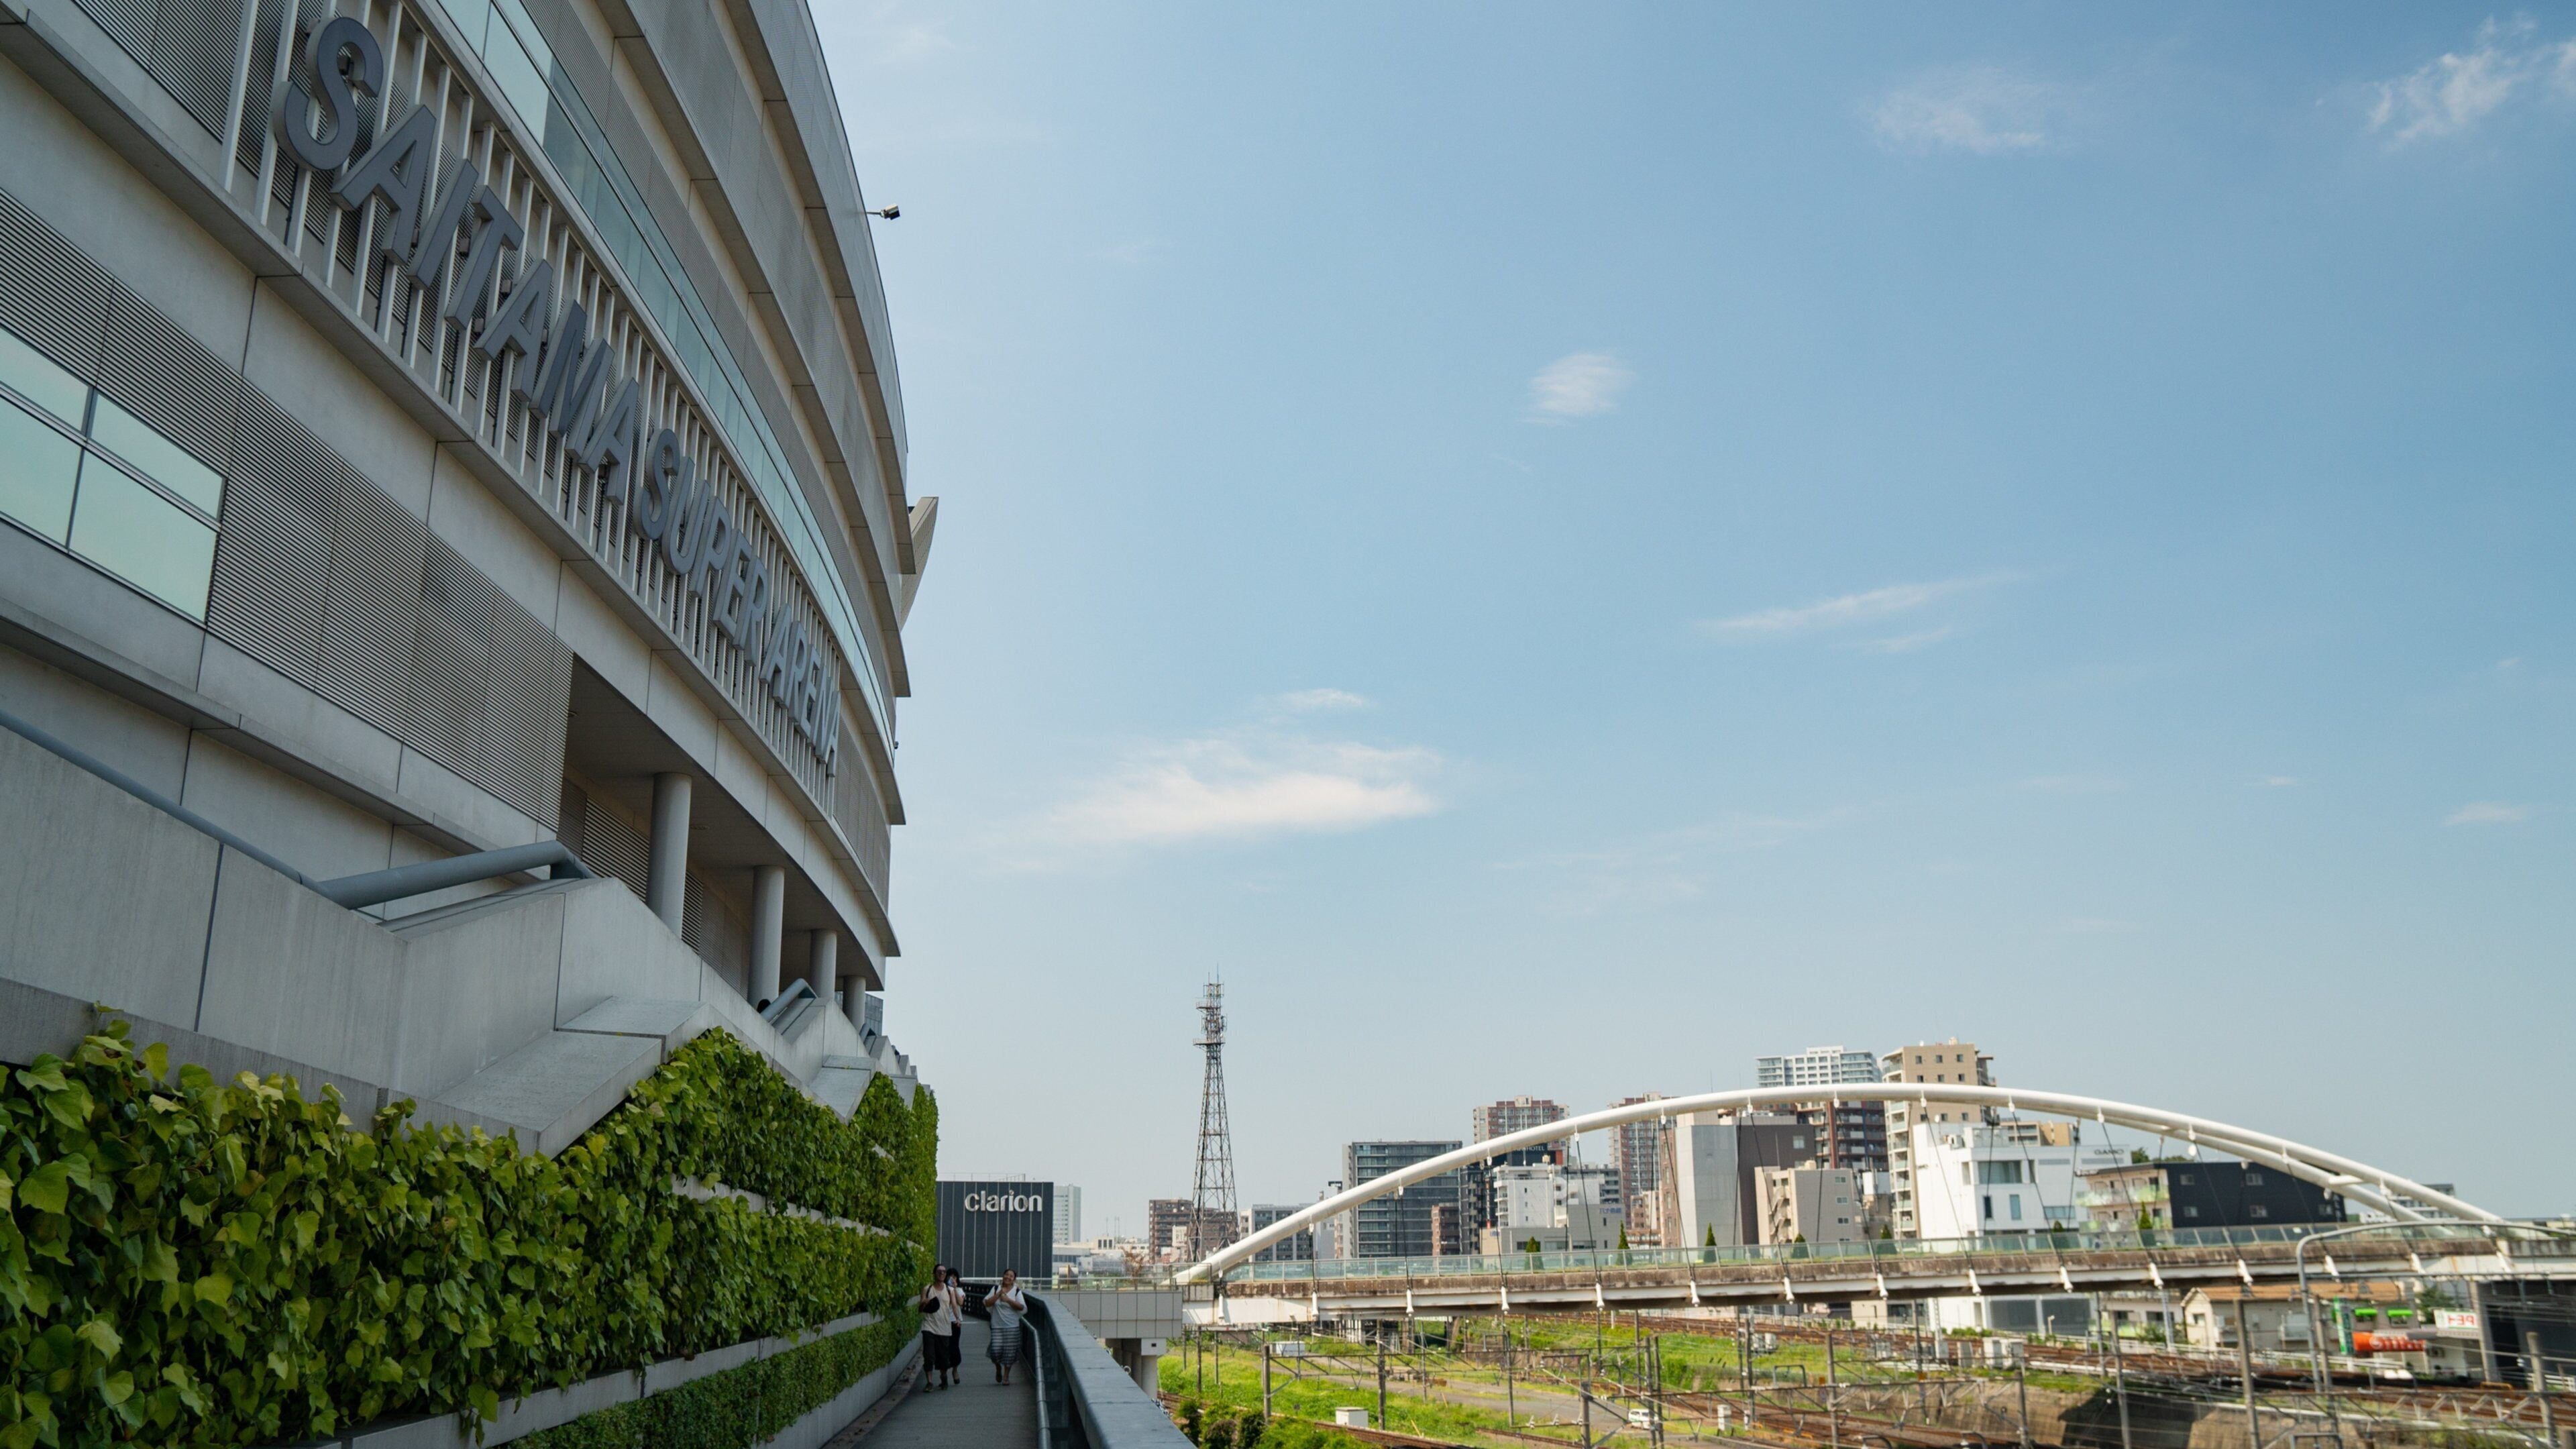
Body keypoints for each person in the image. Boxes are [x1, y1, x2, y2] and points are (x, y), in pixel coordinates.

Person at [916, 1264, 963, 1389]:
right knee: (929, 1355)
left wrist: (957, 1319)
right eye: (939, 1271)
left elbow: (954, 1305)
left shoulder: (950, 1290)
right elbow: (920, 1309)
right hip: (929, 1326)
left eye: (944, 1272)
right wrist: (923, 1303)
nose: (942, 1274)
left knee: (943, 1357)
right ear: (934, 1274)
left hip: (944, 1327)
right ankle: (930, 1382)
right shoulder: (927, 1289)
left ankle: (943, 1377)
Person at [984, 1269, 1028, 1384]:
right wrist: (999, 1294)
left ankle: (1006, 1377)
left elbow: (1022, 1307)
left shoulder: (1017, 1291)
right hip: (997, 1326)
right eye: (1006, 1275)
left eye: (1011, 1276)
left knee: (1009, 1353)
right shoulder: (995, 1289)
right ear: (1003, 1276)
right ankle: (998, 1368)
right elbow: (987, 1303)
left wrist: (1008, 1300)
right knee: (995, 1351)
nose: (1008, 1277)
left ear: (1014, 1279)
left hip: (1012, 1326)